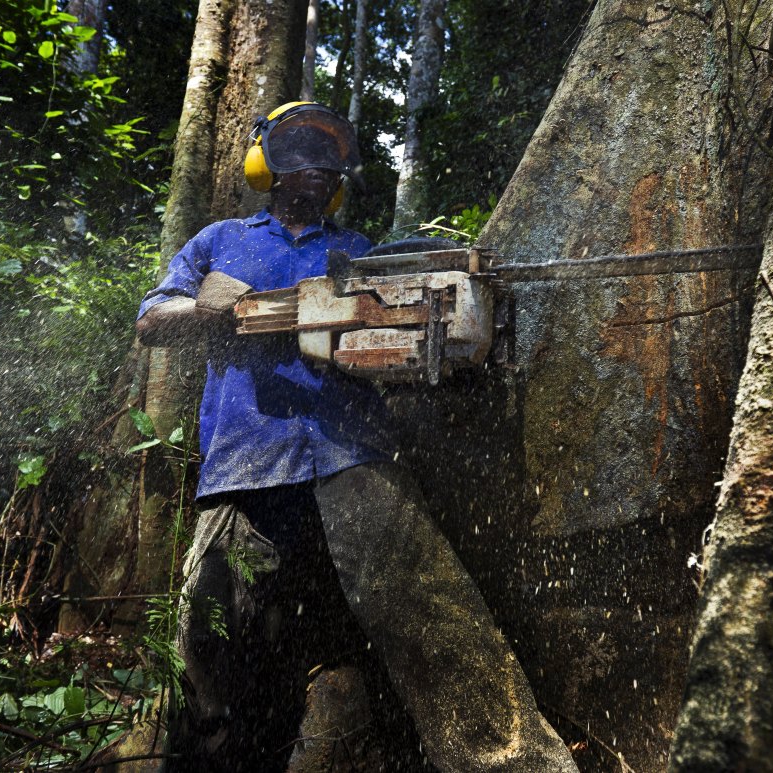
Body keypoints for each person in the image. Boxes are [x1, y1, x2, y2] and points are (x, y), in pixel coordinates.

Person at [136, 101, 578, 773]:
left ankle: (515, 762)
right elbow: (151, 319)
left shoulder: (362, 253)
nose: (314, 164)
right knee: (212, 637)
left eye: (328, 153)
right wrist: (202, 310)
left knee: (431, 611)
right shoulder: (221, 240)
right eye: (299, 149)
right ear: (268, 163)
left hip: (351, 452)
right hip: (243, 461)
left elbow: (410, 337)